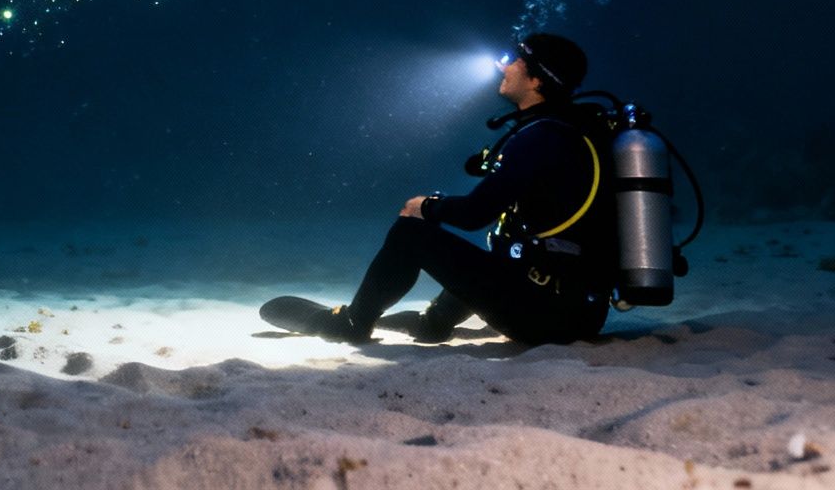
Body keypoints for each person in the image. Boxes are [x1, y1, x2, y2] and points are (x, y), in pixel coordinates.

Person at [263, 32, 616, 346]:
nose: (504, 66)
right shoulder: (573, 132)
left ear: (537, 80)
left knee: (410, 233)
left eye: (516, 60)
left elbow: (475, 214)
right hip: (580, 313)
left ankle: (352, 324)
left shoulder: (542, 136)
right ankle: (435, 323)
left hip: (545, 316)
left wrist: (427, 206)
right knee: (507, 246)